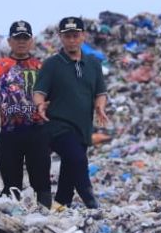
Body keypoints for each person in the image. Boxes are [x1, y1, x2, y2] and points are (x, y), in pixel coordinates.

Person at [33, 17, 109, 209]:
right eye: (67, 36)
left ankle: (61, 205)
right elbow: (39, 91)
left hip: (83, 127)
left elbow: (100, 92)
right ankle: (90, 200)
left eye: (75, 35)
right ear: (61, 37)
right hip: (58, 125)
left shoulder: (93, 64)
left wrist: (100, 106)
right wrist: (40, 104)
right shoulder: (52, 64)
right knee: (78, 159)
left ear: (83, 36)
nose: (72, 40)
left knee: (70, 167)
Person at [0, 20, 52, 208]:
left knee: (42, 182)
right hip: (9, 133)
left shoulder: (41, 67)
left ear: (31, 41)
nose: (21, 42)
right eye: (17, 38)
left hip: (37, 131)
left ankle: (46, 216)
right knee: (11, 184)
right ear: (9, 41)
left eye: (25, 38)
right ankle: (14, 218)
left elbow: (51, 99)